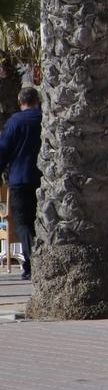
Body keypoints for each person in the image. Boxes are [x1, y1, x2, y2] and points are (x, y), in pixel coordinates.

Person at [0, 88, 41, 280]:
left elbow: (4, 150)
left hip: (20, 179)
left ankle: (31, 264)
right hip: (46, 179)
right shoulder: (45, 119)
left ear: (19, 101)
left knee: (23, 223)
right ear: (38, 100)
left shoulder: (15, 122)